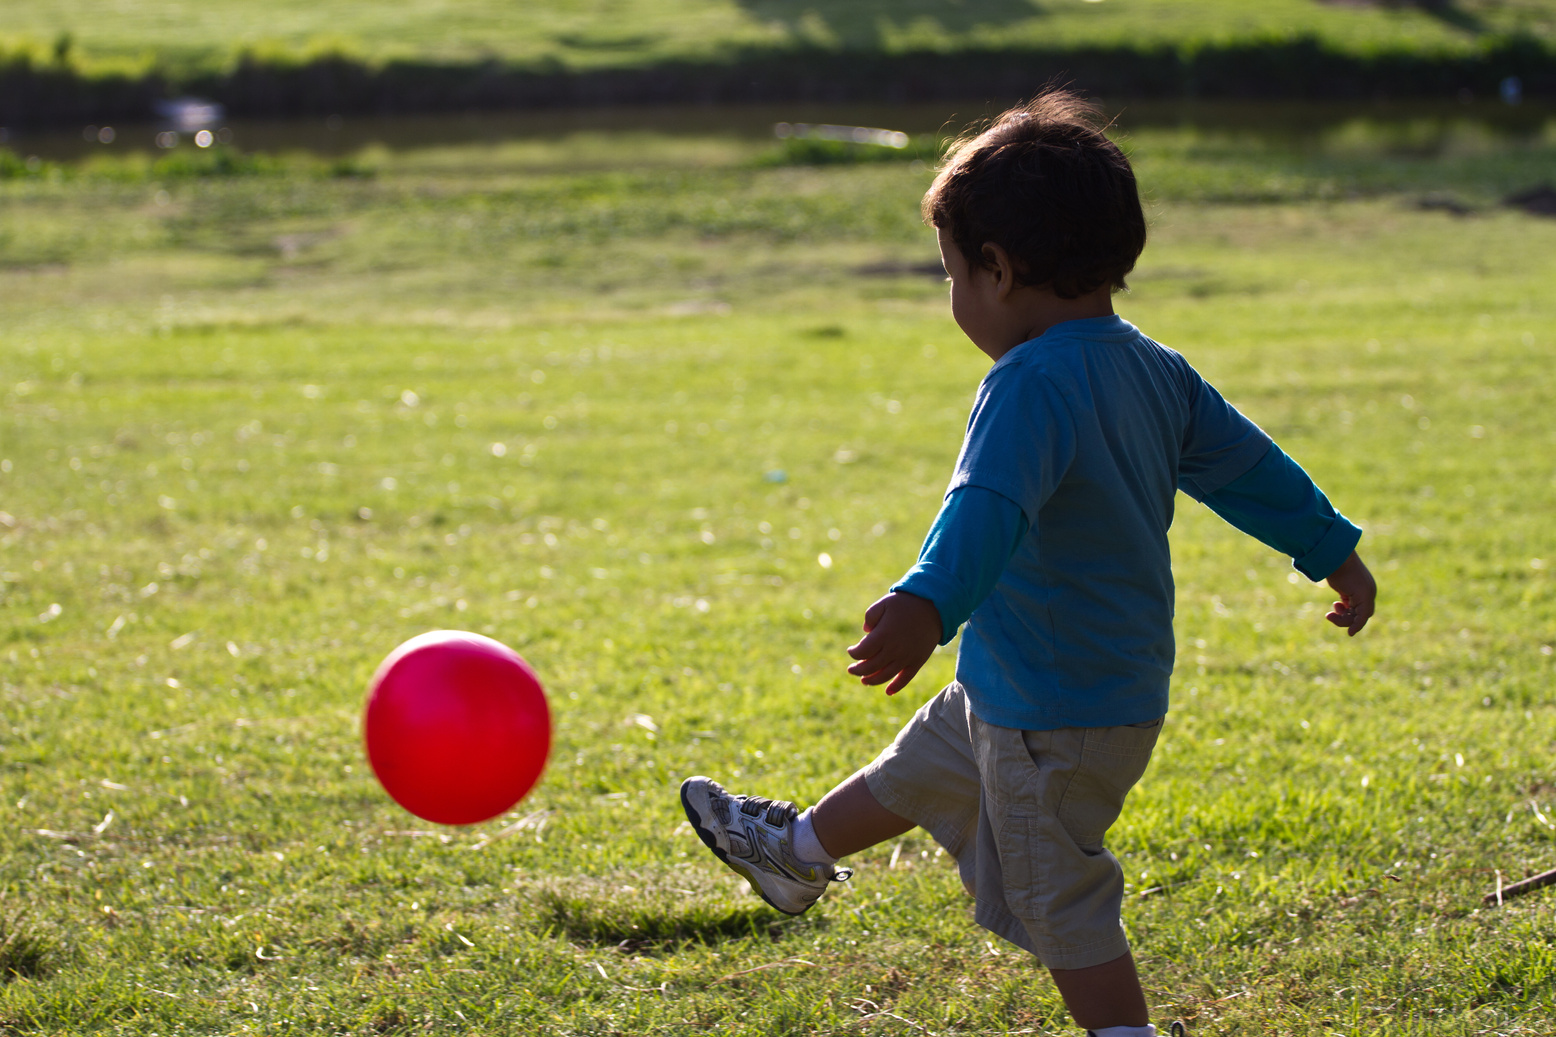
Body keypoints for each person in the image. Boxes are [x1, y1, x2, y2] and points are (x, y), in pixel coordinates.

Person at [680, 90, 1377, 1037]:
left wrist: (928, 603)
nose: (955, 297)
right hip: (1077, 684)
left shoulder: (1028, 382)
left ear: (999, 270)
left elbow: (987, 510)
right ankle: (794, 852)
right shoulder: (1152, 366)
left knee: (1059, 896)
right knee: (930, 760)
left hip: (1055, 707)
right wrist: (1332, 548)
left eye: (954, 276)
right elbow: (1251, 469)